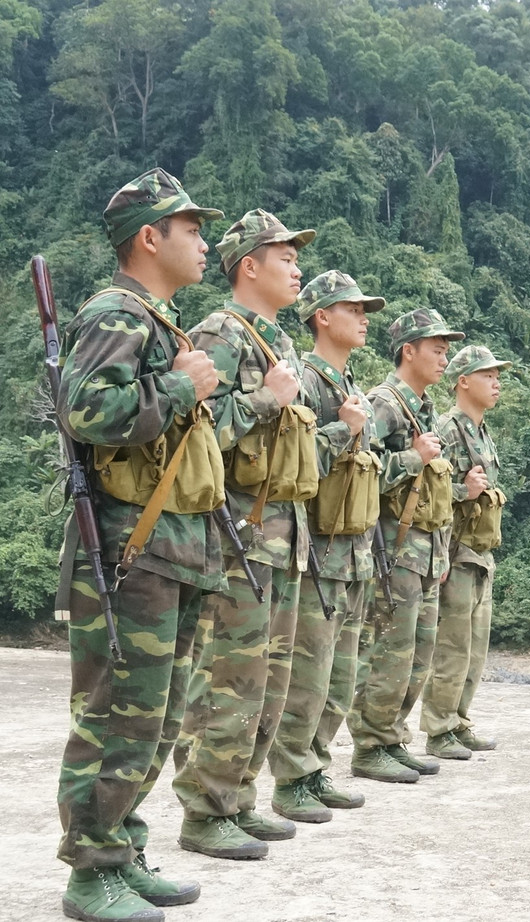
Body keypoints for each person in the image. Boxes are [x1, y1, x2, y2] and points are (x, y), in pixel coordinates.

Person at [54, 168, 224, 922]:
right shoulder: (118, 314)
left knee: (156, 716)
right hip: (130, 548)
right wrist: (184, 386)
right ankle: (91, 873)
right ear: (149, 238)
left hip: (170, 548)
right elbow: (87, 411)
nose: (204, 241)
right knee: (119, 712)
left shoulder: (160, 322)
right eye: (191, 229)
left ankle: (122, 846)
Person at [172, 209, 315, 860]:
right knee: (229, 674)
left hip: (282, 537)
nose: (298, 267)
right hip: (235, 536)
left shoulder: (277, 342)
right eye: (286, 256)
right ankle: (205, 810)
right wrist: (266, 400)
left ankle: (239, 796)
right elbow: (195, 435)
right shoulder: (221, 335)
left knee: (269, 679)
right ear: (248, 265)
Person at [267, 271, 384, 821]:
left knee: (341, 678)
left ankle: (315, 766)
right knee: (309, 675)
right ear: (321, 316)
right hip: (317, 551)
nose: (363, 317)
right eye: (353, 308)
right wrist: (342, 430)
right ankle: (291, 778)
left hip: (355, 554)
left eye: (366, 310)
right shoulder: (308, 380)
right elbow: (294, 465)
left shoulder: (350, 385)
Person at [348, 308, 462, 783]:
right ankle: (370, 744)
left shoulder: (423, 405)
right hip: (393, 548)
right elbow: (361, 469)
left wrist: (442, 552)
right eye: (435, 348)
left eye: (446, 349)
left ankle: (392, 737)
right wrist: (413, 457)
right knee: (389, 652)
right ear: (407, 351)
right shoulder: (385, 402)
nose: (443, 357)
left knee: (418, 654)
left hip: (425, 550)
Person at [421, 345, 512, 759]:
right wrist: (464, 491)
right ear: (463, 381)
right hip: (456, 555)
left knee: (475, 651)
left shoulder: (481, 432)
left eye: (498, 376)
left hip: (481, 555)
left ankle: (458, 721)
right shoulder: (447, 429)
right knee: (453, 650)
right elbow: (430, 495)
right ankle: (439, 731)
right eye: (487, 375)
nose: (496, 383)